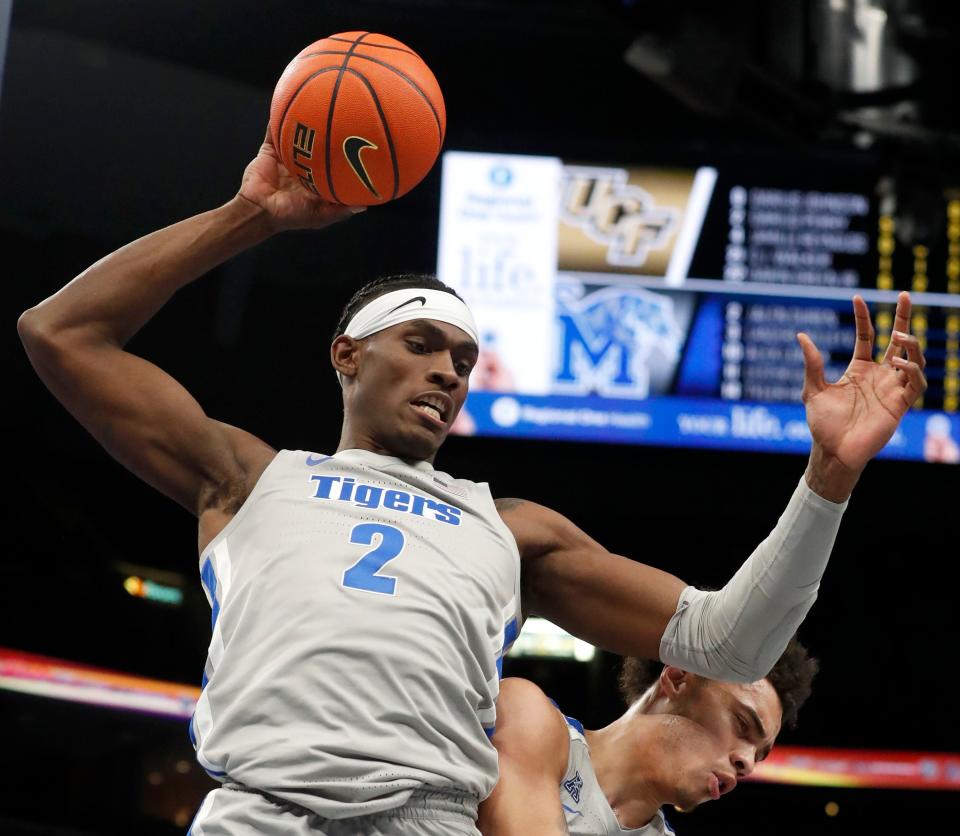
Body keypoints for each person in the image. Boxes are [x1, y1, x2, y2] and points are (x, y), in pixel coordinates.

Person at [17, 128, 926, 835]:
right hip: (259, 809)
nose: (449, 372)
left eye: (464, 358)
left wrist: (830, 475)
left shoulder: (511, 527)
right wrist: (252, 214)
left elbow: (729, 644)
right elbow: (61, 334)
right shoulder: (249, 477)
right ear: (348, 356)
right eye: (422, 346)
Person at [478, 638, 817, 835]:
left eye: (758, 755)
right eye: (743, 724)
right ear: (679, 677)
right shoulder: (528, 716)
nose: (746, 763)